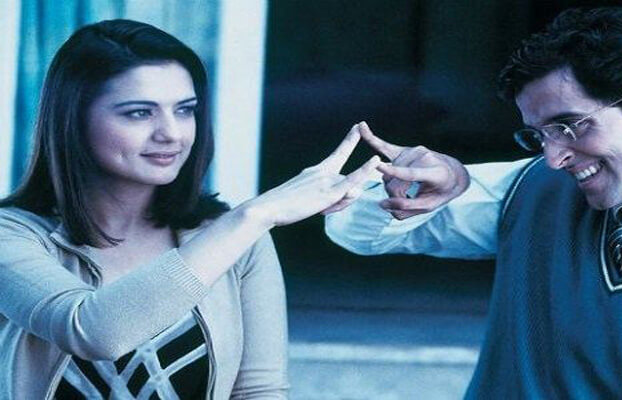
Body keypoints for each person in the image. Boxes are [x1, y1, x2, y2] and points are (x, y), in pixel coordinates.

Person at [326, 7, 622, 399]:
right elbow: (353, 229)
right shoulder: (530, 189)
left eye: (570, 126)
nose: (554, 158)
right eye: (539, 135)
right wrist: (416, 185)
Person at [0, 20, 378, 399]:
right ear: (73, 119)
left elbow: (259, 390)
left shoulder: (237, 239)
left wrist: (247, 223)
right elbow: (94, 331)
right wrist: (255, 214)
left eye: (184, 110)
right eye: (139, 113)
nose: (172, 133)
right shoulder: (12, 235)